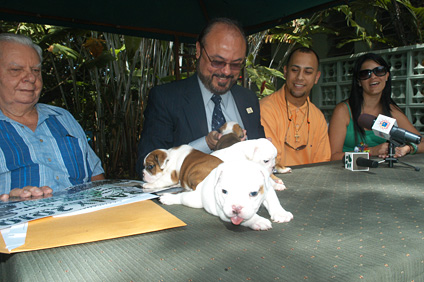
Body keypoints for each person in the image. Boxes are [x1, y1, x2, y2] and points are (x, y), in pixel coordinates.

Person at [136, 18, 265, 177]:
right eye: (217, 62)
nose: (226, 71)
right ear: (198, 50)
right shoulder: (167, 99)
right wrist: (205, 145)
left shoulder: (248, 99)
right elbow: (147, 167)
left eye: (236, 64)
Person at [0, 33, 105, 200]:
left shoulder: (62, 117)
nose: (31, 77)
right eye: (16, 70)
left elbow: (96, 176)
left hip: (84, 221)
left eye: (35, 70)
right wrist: (6, 205)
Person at [328, 52, 423, 161]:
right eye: (365, 74)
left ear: (387, 76)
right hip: (345, 173)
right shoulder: (343, 110)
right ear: (359, 81)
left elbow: (421, 142)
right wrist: (371, 151)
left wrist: (407, 148)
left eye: (379, 71)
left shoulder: (392, 111)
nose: (373, 77)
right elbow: (332, 156)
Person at [260, 47, 331, 167]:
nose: (300, 77)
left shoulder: (317, 116)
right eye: (294, 70)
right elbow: (272, 162)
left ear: (316, 77)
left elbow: (322, 163)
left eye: (307, 72)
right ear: (286, 71)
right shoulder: (266, 108)